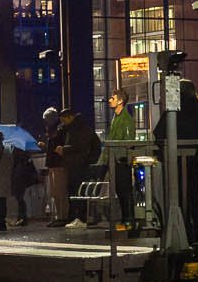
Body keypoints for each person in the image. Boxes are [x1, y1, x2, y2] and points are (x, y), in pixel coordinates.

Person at [104, 89, 144, 232]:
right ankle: (126, 220)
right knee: (121, 191)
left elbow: (129, 140)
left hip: (121, 159)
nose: (110, 100)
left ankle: (128, 221)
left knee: (124, 191)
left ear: (120, 101)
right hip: (116, 159)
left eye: (112, 98)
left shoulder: (124, 118)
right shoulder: (117, 117)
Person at [56, 110, 100, 227]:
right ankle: (76, 217)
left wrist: (64, 149)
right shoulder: (78, 127)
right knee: (76, 191)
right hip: (78, 164)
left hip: (79, 164)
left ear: (70, 117)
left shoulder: (79, 129)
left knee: (77, 191)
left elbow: (80, 146)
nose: (63, 123)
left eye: (64, 120)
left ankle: (79, 218)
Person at [41, 106, 69, 226]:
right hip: (54, 164)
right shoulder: (54, 130)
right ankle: (60, 216)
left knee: (60, 191)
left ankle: (62, 216)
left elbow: (57, 147)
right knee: (56, 192)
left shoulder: (58, 130)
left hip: (58, 164)